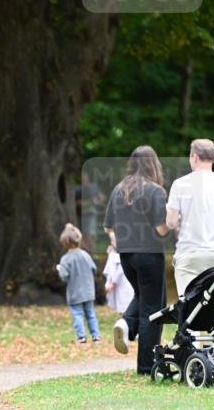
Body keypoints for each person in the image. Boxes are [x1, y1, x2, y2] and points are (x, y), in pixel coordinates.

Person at [104, 145, 169, 375]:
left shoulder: (119, 189)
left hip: (126, 256)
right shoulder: (156, 191)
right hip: (149, 255)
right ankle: (146, 366)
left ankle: (127, 323)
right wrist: (175, 223)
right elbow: (161, 229)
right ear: (153, 164)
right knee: (153, 308)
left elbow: (108, 227)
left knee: (145, 297)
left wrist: (119, 242)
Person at [166, 138, 214, 297]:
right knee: (213, 310)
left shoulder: (180, 184)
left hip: (187, 255)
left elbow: (171, 223)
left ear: (194, 157)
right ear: (213, 158)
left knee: (188, 308)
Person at [55, 223, 100, 344]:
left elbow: (64, 276)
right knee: (91, 314)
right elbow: (94, 269)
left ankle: (82, 337)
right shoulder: (86, 255)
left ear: (64, 243)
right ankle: (96, 336)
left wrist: (59, 269)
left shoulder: (65, 259)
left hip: (75, 293)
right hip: (89, 291)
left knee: (77, 314)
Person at [102, 233, 134, 314]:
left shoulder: (120, 253)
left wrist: (113, 283)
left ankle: (127, 324)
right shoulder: (116, 252)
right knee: (123, 307)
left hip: (123, 285)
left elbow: (120, 270)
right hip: (121, 285)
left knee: (125, 307)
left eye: (113, 241)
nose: (111, 243)